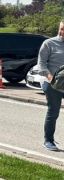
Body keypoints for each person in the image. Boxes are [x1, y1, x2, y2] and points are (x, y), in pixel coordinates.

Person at [37, 21, 64, 151]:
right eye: (61, 29)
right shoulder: (49, 44)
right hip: (52, 83)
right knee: (53, 112)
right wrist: (49, 77)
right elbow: (41, 64)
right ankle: (48, 140)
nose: (62, 32)